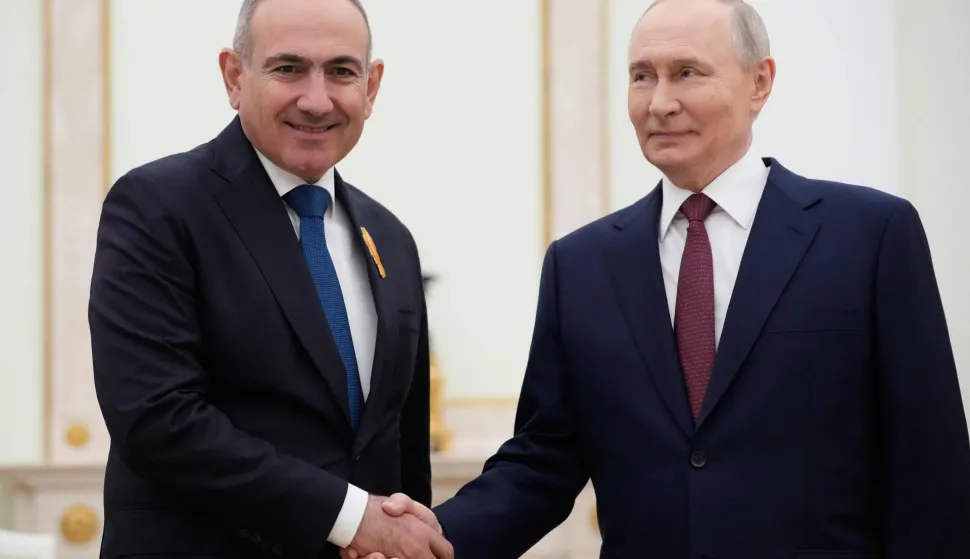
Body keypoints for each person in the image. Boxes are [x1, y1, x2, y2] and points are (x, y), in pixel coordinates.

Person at [351, 0, 970, 557]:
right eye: (641, 75)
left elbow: (930, 464)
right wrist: (433, 540)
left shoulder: (868, 235)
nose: (659, 101)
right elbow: (544, 460)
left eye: (687, 72)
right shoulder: (581, 264)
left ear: (760, 82)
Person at [88, 0, 452, 558]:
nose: (316, 99)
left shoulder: (392, 240)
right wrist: (353, 518)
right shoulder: (158, 208)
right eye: (288, 68)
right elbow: (160, 421)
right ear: (234, 77)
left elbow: (400, 449)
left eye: (341, 71)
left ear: (371, 87)